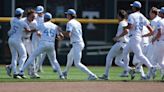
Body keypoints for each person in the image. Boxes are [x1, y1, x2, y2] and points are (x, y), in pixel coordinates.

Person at [19, 12, 65, 79]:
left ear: (44, 18)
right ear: (50, 19)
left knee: (32, 56)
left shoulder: (43, 24)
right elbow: (61, 36)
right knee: (54, 60)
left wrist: (28, 31)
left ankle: (21, 71)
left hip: (43, 44)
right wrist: (57, 37)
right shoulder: (55, 26)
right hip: (51, 44)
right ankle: (61, 75)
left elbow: (34, 30)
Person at [118, 1, 156, 80]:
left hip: (134, 37)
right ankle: (126, 69)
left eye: (133, 7)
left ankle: (151, 67)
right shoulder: (142, 16)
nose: (132, 8)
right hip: (137, 37)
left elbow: (130, 25)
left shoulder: (132, 15)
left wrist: (125, 28)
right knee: (125, 51)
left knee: (139, 55)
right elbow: (150, 27)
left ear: (135, 8)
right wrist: (151, 32)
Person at [62, 9, 97, 80]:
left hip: (77, 44)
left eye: (67, 14)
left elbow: (68, 34)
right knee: (69, 56)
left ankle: (92, 75)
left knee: (77, 63)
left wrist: (60, 31)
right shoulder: (78, 22)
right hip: (79, 42)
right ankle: (65, 72)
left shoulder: (70, 23)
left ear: (70, 15)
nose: (66, 15)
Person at [99, 10, 130, 80]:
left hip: (120, 43)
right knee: (117, 61)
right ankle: (130, 70)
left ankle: (106, 75)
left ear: (119, 16)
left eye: (118, 16)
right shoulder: (126, 22)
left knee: (109, 56)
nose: (117, 17)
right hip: (125, 44)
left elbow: (126, 31)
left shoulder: (122, 23)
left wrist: (117, 37)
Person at [7, 8, 30, 79]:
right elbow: (28, 30)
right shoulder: (23, 22)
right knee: (24, 55)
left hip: (11, 39)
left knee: (14, 56)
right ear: (21, 14)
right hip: (17, 40)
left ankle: (14, 72)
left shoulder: (12, 19)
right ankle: (20, 71)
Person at [21, 9, 40, 78]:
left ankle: (33, 73)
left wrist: (40, 34)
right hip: (20, 40)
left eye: (34, 17)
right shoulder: (22, 21)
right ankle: (17, 71)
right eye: (32, 17)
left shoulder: (34, 22)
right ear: (28, 16)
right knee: (22, 57)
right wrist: (35, 30)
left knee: (32, 55)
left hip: (28, 40)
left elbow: (37, 32)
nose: (33, 18)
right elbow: (27, 31)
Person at [152, 7, 164, 80]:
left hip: (161, 42)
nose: (159, 13)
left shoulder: (160, 21)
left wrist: (154, 38)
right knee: (161, 61)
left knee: (159, 61)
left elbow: (159, 33)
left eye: (160, 12)